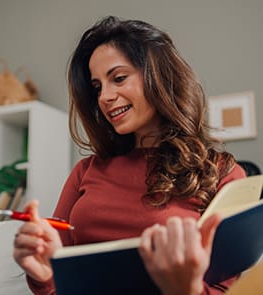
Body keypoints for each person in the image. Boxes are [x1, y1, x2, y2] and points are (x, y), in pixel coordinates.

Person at [13, 16, 246, 295]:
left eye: (119, 78)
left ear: (160, 76)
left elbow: (227, 289)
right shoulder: (85, 171)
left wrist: (187, 288)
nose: (104, 97)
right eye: (97, 86)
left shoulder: (222, 173)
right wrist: (44, 275)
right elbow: (56, 285)